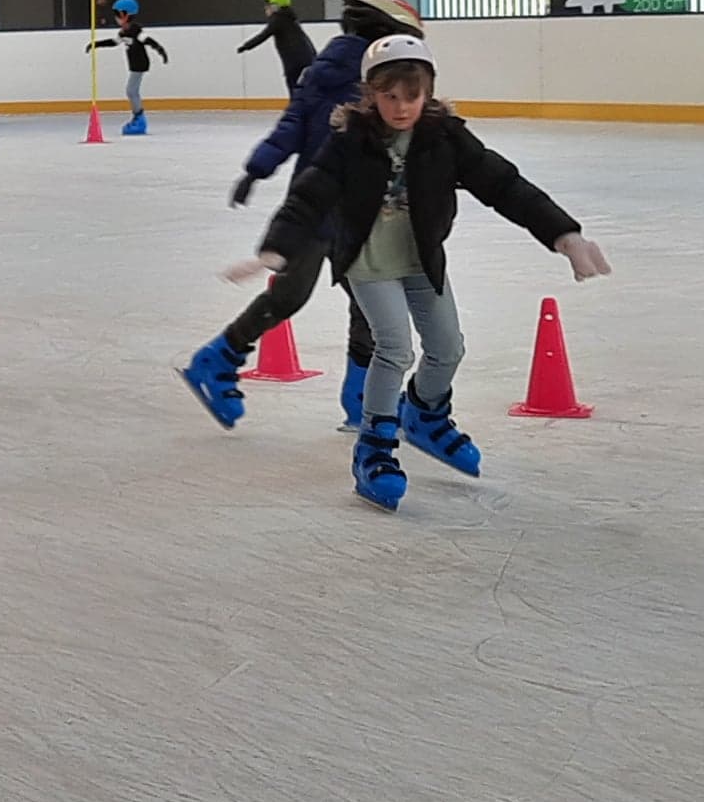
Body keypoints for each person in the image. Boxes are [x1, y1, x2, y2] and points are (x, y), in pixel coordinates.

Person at [194, 36, 610, 511]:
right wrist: (275, 250)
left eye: (411, 96)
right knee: (392, 347)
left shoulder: (445, 137)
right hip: (369, 264)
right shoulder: (351, 140)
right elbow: (309, 196)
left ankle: (426, 415)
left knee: (448, 347)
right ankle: (374, 446)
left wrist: (565, 236)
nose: (400, 107)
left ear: (427, 92)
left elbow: (505, 185)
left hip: (419, 260)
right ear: (370, 93)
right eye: (388, 96)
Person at [222, 0, 426, 429]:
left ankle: (363, 403)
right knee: (316, 298)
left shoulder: (329, 75)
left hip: (335, 209)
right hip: (329, 207)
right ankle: (219, 360)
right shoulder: (362, 80)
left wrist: (256, 170)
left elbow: (290, 127)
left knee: (335, 299)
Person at [89, 0, 168, 136]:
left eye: (117, 15)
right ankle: (137, 116)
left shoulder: (136, 30)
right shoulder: (123, 32)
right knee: (132, 91)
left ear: (125, 15)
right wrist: (96, 44)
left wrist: (160, 50)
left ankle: (139, 117)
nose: (115, 18)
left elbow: (147, 40)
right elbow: (114, 42)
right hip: (134, 65)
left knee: (131, 91)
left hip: (140, 64)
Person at [237, 0, 315, 93]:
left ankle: (297, 107)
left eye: (268, 5)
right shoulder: (290, 19)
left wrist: (245, 46)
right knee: (303, 87)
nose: (265, 8)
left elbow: (264, 35)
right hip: (306, 58)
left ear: (276, 6)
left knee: (294, 87)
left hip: (294, 61)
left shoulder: (278, 19)